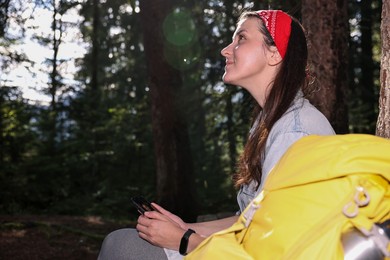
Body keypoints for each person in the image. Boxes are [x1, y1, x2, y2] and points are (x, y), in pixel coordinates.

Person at [98, 9, 335, 260]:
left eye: (241, 38)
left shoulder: (294, 132)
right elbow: (249, 222)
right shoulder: (270, 123)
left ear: (274, 52)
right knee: (122, 242)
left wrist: (186, 241)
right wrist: (186, 227)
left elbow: (279, 246)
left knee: (122, 247)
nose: (225, 49)